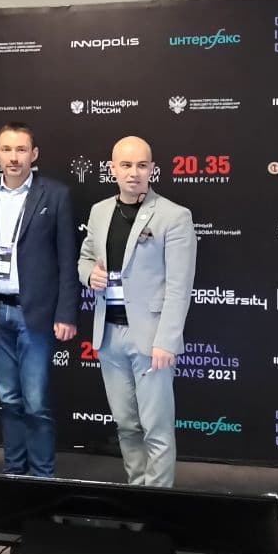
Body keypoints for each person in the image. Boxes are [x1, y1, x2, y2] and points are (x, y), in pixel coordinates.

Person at [78, 136, 196, 487]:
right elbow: (85, 257)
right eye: (126, 165)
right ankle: (137, 493)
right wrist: (89, 274)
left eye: (141, 165)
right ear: (112, 169)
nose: (134, 173)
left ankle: (156, 504)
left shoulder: (175, 216)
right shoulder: (99, 211)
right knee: (127, 426)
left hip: (151, 338)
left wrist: (167, 340)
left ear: (152, 169)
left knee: (156, 429)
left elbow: (179, 286)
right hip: (109, 335)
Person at [0, 122, 79, 477]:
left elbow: (67, 259)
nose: (14, 157)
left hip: (37, 315)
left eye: (21, 150)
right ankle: (14, 473)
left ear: (34, 154)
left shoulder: (56, 195)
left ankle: (43, 477)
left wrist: (66, 313)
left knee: (36, 403)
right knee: (8, 400)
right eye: (7, 149)